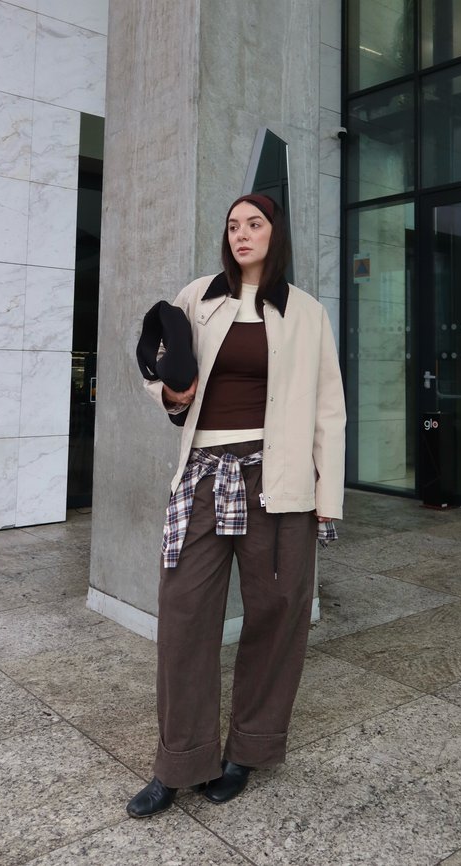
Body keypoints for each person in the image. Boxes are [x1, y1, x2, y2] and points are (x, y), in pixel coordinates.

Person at [127, 193, 346, 818]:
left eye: (255, 224)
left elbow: (329, 411)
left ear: (276, 234)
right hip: (202, 478)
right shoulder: (199, 296)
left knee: (277, 614)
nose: (242, 233)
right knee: (184, 611)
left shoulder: (307, 314)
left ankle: (247, 749)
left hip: (277, 484)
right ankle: (178, 761)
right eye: (233, 225)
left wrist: (326, 497)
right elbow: (161, 367)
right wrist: (172, 390)